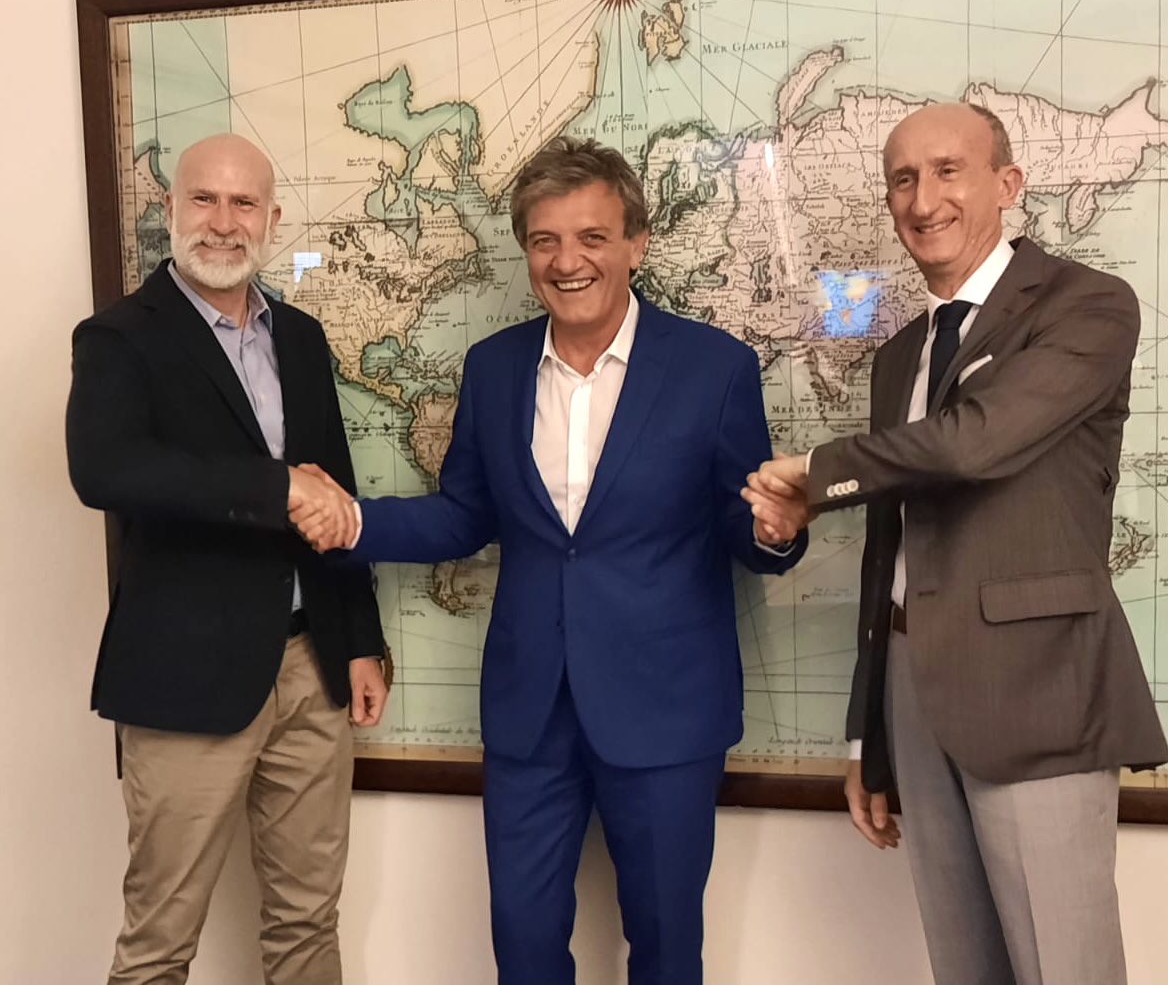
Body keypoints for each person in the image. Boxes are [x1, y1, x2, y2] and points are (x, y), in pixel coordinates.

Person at [295, 136, 807, 985]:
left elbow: (744, 523)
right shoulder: (493, 368)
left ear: (636, 244)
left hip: (666, 708)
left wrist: (775, 531)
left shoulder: (714, 369)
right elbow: (464, 515)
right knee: (523, 945)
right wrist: (350, 520)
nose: (567, 262)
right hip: (530, 709)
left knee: (666, 949)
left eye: (592, 237)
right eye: (545, 241)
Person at [745, 103, 1168, 985]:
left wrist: (817, 475)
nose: (922, 198)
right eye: (902, 178)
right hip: (912, 692)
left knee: (1064, 967)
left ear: (1007, 184)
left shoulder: (1087, 305)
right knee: (962, 967)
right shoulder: (899, 353)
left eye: (947, 170)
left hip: (1036, 689)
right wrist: (868, 736)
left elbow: (976, 443)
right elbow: (890, 548)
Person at [65, 133, 388, 985]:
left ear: (272, 219)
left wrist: (359, 638)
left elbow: (335, 493)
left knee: (307, 922)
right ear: (169, 208)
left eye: (243, 203)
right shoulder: (118, 337)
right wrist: (274, 486)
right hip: (184, 676)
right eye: (203, 199)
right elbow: (106, 469)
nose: (222, 221)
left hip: (310, 668)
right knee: (159, 942)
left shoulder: (302, 337)